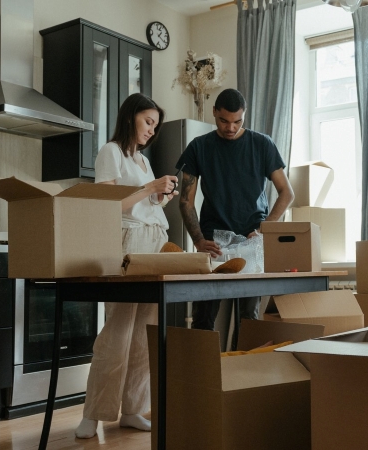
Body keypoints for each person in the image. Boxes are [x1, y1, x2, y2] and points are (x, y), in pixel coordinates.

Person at [75, 93, 178, 439]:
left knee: (145, 331)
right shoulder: (111, 152)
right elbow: (109, 205)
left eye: (155, 126)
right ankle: (93, 413)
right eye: (148, 122)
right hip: (128, 241)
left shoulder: (144, 161)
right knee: (117, 330)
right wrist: (151, 187)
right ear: (131, 116)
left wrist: (161, 195)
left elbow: (145, 203)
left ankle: (133, 408)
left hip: (155, 240)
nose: (152, 130)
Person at [177, 88, 294, 331]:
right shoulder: (198, 147)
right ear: (214, 113)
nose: (230, 127)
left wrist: (265, 229)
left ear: (244, 116)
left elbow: (287, 193)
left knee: (248, 318)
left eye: (237, 121)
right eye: (224, 121)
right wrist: (198, 239)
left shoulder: (262, 144)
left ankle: (244, 369)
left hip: (251, 241)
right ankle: (201, 369)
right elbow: (186, 201)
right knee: (203, 318)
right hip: (212, 242)